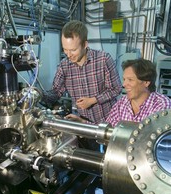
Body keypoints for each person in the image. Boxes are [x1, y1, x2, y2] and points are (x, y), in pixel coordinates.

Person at [43, 20, 122, 150]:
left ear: (85, 44)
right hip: (83, 125)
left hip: (107, 124)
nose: (68, 55)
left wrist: (93, 100)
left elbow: (116, 88)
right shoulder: (64, 65)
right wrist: (38, 94)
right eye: (65, 49)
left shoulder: (103, 59)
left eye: (73, 50)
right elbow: (56, 92)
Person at [67, 58, 171, 127]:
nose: (124, 85)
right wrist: (82, 122)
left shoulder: (162, 104)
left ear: (146, 82)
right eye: (124, 79)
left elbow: (151, 138)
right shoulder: (123, 103)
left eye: (130, 80)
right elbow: (106, 127)